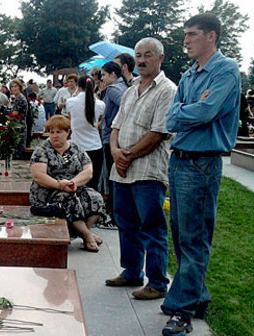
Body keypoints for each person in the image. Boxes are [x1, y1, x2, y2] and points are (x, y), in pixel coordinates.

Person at [161, 14, 241, 336]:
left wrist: (188, 110)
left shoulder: (226, 70)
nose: (186, 40)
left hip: (202, 164)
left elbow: (207, 112)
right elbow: (171, 118)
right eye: (185, 35)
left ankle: (182, 312)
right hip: (179, 162)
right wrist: (189, 110)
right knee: (181, 236)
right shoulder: (190, 74)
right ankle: (198, 295)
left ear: (211, 36)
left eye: (192, 35)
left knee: (194, 239)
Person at [105, 38, 176, 304]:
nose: (142, 60)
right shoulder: (131, 88)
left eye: (148, 55)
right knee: (126, 222)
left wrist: (127, 156)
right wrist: (115, 152)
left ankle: (157, 282)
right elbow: (115, 126)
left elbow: (158, 133)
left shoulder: (168, 90)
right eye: (138, 55)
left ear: (160, 58)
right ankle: (131, 271)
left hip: (147, 171)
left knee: (152, 226)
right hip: (122, 170)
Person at [30, 115, 106, 252]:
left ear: (68, 132)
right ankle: (88, 235)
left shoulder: (76, 148)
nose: (54, 136)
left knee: (96, 198)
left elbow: (88, 171)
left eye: (59, 132)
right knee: (67, 198)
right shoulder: (42, 150)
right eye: (51, 132)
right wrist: (59, 184)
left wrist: (72, 183)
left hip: (73, 186)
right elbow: (38, 175)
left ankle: (83, 232)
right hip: (47, 191)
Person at [99, 61, 129, 217]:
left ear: (113, 74)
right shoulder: (123, 86)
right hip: (118, 135)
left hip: (111, 136)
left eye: (104, 75)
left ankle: (112, 212)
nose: (102, 78)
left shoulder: (113, 89)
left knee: (111, 176)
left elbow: (127, 105)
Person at [67, 76, 105, 190]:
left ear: (78, 86)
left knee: (76, 182)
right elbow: (99, 122)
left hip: (76, 145)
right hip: (95, 146)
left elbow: (70, 120)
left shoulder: (71, 102)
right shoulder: (100, 104)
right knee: (93, 182)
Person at [9, 79, 29, 158]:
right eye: (12, 87)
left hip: (19, 127)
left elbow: (14, 114)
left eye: (15, 86)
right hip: (16, 126)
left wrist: (5, 114)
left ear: (20, 87)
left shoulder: (20, 98)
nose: (14, 88)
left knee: (18, 152)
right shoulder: (17, 98)